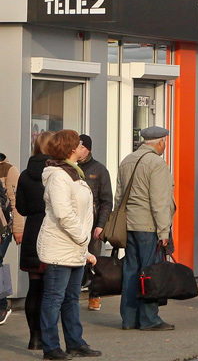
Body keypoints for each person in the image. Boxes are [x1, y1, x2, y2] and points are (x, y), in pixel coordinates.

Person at [38, 130, 101, 360]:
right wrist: (84, 238)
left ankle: (75, 342)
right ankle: (50, 347)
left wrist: (83, 246)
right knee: (54, 299)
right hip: (60, 247)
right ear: (71, 149)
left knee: (71, 298)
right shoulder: (59, 176)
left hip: (74, 247)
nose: (82, 147)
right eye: (79, 144)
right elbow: (63, 213)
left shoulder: (74, 173)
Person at [116, 126, 175, 331]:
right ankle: (149, 319)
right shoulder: (156, 164)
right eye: (164, 142)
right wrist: (164, 231)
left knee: (131, 271)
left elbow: (119, 197)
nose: (165, 145)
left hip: (129, 225)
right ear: (160, 142)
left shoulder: (127, 160)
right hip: (149, 226)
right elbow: (159, 201)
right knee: (150, 272)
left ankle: (129, 319)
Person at [15, 131, 53, 350]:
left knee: (34, 287)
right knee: (50, 289)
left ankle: (34, 338)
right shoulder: (56, 172)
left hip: (32, 230)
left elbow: (21, 207)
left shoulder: (25, 174)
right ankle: (48, 337)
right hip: (51, 230)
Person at [76, 135, 112, 312]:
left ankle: (94, 296)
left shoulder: (99, 170)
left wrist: (101, 224)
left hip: (93, 224)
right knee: (75, 260)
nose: (78, 149)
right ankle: (72, 296)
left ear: (88, 149)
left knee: (94, 262)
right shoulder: (71, 168)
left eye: (81, 147)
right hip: (76, 223)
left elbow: (106, 201)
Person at [0, 152, 14, 325]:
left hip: (3, 228)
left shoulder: (9, 169)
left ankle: (2, 305)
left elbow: (14, 201)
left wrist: (18, 229)